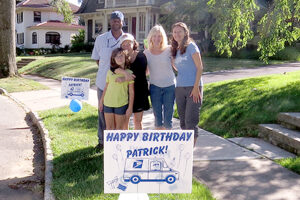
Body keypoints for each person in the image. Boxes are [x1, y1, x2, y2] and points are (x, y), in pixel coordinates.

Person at [91, 11, 125, 150]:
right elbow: (98, 60)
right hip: (102, 83)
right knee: (102, 113)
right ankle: (102, 141)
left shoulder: (127, 39)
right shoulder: (101, 39)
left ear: (122, 22)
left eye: (118, 20)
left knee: (120, 114)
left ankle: (119, 142)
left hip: (121, 85)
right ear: (110, 22)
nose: (115, 22)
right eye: (113, 20)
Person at [170, 22, 204, 146]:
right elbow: (179, 69)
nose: (177, 34)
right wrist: (172, 60)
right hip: (179, 88)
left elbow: (199, 67)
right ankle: (185, 150)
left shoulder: (191, 46)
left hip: (193, 87)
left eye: (179, 31)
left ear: (185, 33)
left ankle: (190, 153)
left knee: (191, 121)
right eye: (175, 32)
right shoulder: (176, 49)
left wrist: (196, 88)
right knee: (183, 122)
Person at [114, 33, 150, 129]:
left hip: (140, 91)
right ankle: (127, 144)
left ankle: (138, 144)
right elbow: (112, 68)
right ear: (121, 46)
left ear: (133, 43)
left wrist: (124, 78)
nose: (126, 46)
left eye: (128, 43)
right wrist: (124, 73)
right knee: (125, 120)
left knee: (137, 121)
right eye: (123, 44)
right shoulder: (120, 57)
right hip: (125, 92)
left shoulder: (141, 56)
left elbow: (140, 74)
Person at [144, 25, 176, 130]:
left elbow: (176, 66)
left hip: (169, 86)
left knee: (168, 120)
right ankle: (160, 144)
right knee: (158, 120)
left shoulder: (169, 49)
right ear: (150, 37)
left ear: (163, 37)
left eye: (159, 36)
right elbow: (146, 72)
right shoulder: (146, 53)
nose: (157, 38)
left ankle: (168, 144)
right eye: (154, 36)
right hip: (155, 87)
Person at [99, 48, 134, 130]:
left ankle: (119, 144)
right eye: (117, 56)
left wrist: (130, 107)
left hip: (121, 104)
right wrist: (101, 101)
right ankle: (107, 143)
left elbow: (131, 92)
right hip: (108, 103)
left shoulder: (129, 73)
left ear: (125, 57)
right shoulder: (110, 72)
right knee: (109, 128)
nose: (120, 58)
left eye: (121, 55)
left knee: (119, 129)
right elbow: (106, 87)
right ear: (113, 59)